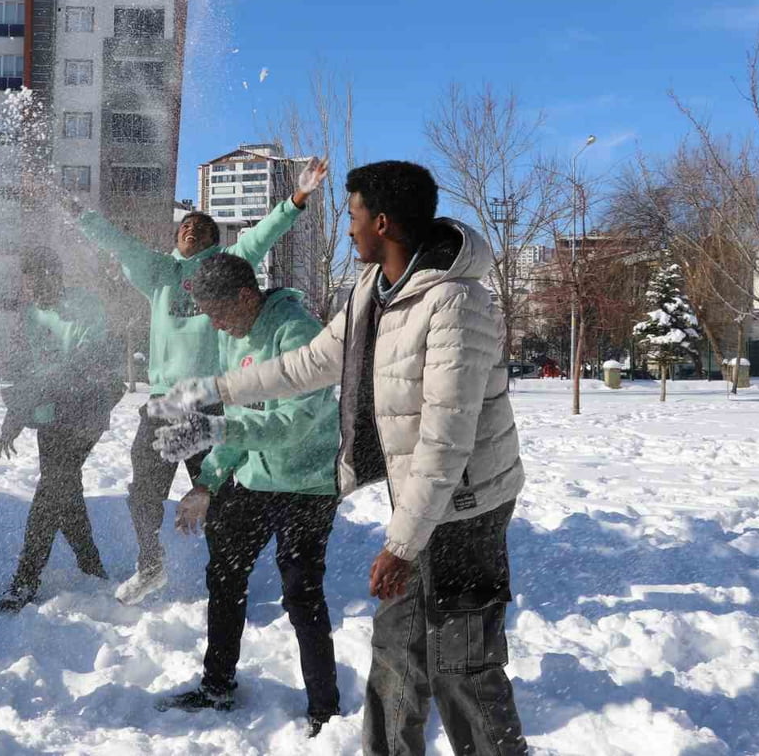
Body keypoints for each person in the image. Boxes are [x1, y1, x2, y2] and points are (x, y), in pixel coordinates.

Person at [151, 161, 528, 755]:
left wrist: (402, 545)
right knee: (397, 654)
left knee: (461, 665)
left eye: (353, 215)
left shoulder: (455, 303)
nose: (348, 229)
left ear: (382, 222)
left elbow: (446, 438)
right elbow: (310, 365)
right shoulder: (371, 292)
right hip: (419, 496)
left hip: (466, 505)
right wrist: (214, 390)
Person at [65, 156, 328, 605]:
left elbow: (262, 234)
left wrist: (298, 197)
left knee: (216, 493)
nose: (191, 229)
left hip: (212, 401)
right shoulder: (159, 273)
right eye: (185, 225)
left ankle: (226, 573)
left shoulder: (226, 265)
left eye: (201, 227)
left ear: (213, 240)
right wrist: (79, 214)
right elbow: (119, 244)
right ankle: (150, 564)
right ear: (175, 238)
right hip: (165, 402)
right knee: (143, 491)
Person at [147, 253, 342, 738]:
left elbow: (292, 425)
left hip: (307, 486)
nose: (215, 325)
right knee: (224, 575)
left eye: (218, 313)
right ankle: (216, 685)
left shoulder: (298, 334)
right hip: (254, 479)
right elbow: (243, 419)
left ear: (245, 295)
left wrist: (215, 428)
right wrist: (207, 482)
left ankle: (325, 708)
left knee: (301, 593)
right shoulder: (232, 335)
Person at [0, 247, 126, 613]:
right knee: (64, 489)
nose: (34, 290)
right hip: (49, 412)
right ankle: (91, 566)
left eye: (40, 282)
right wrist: (14, 416)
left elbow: (83, 366)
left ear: (56, 277)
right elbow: (25, 371)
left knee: (51, 488)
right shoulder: (30, 316)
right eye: (28, 283)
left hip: (86, 410)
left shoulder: (86, 308)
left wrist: (31, 397)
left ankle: (25, 578)